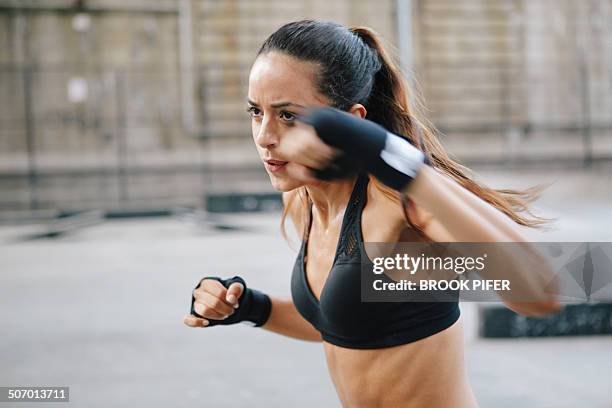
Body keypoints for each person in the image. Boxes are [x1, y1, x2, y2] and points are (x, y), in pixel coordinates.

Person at [183, 20, 561, 407]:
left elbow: (542, 292)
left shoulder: (398, 204)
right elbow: (342, 324)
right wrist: (250, 306)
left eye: (288, 115)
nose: (264, 135)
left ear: (351, 122)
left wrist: (408, 169)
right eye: (255, 111)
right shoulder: (302, 200)